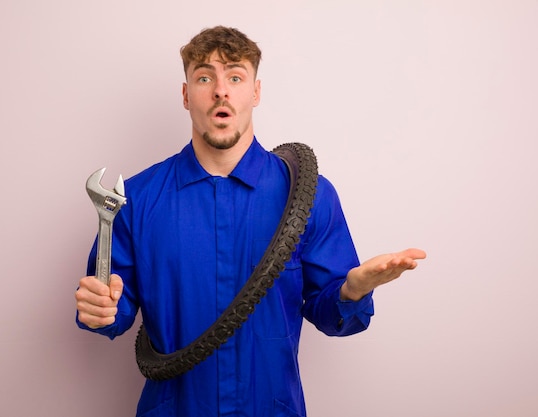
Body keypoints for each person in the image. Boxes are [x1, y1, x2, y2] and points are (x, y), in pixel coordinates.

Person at [75, 25, 426, 417]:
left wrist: (352, 292)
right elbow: (110, 308)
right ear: (187, 95)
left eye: (236, 77)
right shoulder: (136, 199)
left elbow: (333, 317)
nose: (221, 90)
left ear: (255, 92)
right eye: (205, 77)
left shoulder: (309, 196)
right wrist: (99, 310)